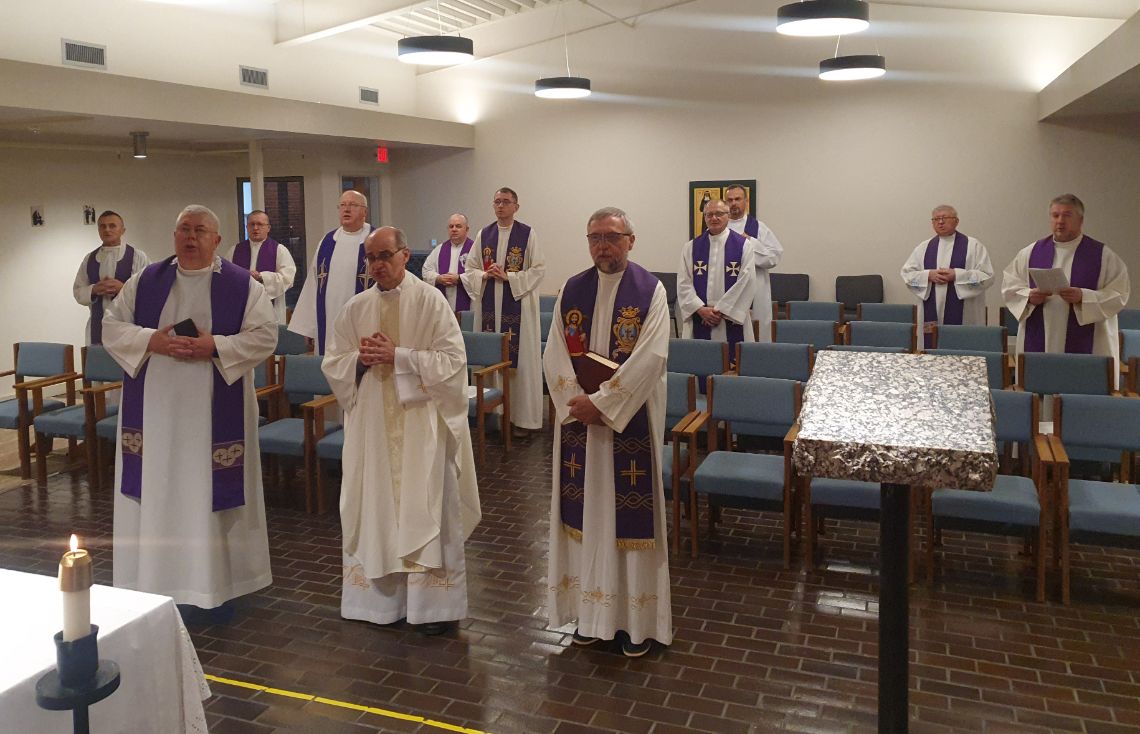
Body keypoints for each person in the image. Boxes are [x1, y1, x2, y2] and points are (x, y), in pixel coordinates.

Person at [103, 204, 277, 616]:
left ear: (217, 240)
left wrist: (213, 345)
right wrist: (153, 340)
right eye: (184, 229)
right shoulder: (145, 280)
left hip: (213, 416)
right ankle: (154, 580)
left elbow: (266, 335)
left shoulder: (241, 284)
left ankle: (212, 587)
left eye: (200, 230)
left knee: (207, 493)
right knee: (158, 488)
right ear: (174, 236)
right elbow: (111, 326)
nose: (190, 237)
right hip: (155, 414)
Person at [322, 226, 480, 635]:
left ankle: (432, 610)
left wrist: (400, 356)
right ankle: (380, 604)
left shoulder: (430, 301)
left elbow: (453, 363)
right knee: (375, 505)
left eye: (384, 256)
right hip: (373, 427)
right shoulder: (355, 308)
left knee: (424, 505)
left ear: (405, 255)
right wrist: (359, 360)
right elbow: (333, 363)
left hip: (421, 423)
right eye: (371, 258)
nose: (377, 265)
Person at [544, 206, 671, 658]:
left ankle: (635, 625)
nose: (603, 246)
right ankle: (589, 618)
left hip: (628, 422)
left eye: (612, 237)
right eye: (595, 237)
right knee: (584, 522)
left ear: (630, 240)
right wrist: (575, 401)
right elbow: (554, 352)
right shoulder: (572, 289)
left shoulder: (651, 291)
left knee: (627, 524)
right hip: (580, 425)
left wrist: (602, 404)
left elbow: (651, 358)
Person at [1002, 194, 1130, 371]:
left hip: (1088, 341)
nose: (1060, 221)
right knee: (1041, 382)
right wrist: (1029, 296)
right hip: (1039, 337)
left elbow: (1119, 295)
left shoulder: (1103, 256)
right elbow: (1010, 287)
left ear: (1080, 220)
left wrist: (1084, 297)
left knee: (1081, 383)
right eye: (1055, 215)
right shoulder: (1030, 253)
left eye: (1067, 215)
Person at [460, 187, 545, 436]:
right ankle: (494, 418)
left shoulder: (527, 234)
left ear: (516, 206)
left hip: (519, 309)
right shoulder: (484, 234)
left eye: (506, 202)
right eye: (497, 201)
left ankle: (521, 420)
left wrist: (509, 277)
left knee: (520, 364)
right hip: (489, 309)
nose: (500, 206)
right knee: (491, 361)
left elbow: (538, 270)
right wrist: (485, 275)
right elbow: (470, 269)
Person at [289, 190, 375, 354]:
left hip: (365, 318)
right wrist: (309, 326)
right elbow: (313, 284)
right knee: (330, 360)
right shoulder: (327, 242)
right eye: (342, 205)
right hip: (329, 320)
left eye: (353, 205)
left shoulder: (375, 239)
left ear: (365, 211)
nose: (346, 209)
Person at [901, 205, 994, 347]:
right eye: (936, 219)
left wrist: (957, 275)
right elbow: (907, 275)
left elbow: (987, 276)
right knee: (931, 347)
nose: (940, 222)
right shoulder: (923, 248)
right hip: (931, 311)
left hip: (965, 312)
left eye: (945, 218)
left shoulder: (973, 246)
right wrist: (928, 275)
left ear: (956, 221)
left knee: (964, 349)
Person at [677, 199, 756, 356]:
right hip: (700, 316)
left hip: (730, 318)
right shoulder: (691, 247)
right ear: (705, 217)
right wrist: (700, 309)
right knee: (699, 362)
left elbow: (747, 281)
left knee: (734, 362)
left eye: (719, 213)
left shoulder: (744, 245)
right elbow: (683, 282)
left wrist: (721, 310)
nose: (714, 218)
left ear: (728, 215)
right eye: (709, 214)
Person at [72, 210, 151, 344]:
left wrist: (124, 289)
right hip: (98, 326)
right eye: (102, 226)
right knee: (97, 357)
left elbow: (150, 290)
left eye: (112, 226)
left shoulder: (137, 257)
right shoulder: (89, 259)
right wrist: (94, 289)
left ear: (122, 230)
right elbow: (78, 290)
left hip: (128, 325)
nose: (107, 230)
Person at [725, 184, 783, 342]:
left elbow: (774, 257)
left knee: (757, 336)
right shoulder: (718, 229)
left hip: (755, 291)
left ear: (746, 201)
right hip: (727, 292)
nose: (734, 203)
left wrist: (750, 242)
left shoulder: (758, 228)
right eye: (730, 200)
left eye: (738, 199)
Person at [224, 210, 297, 324]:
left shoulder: (279, 250)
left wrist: (262, 277)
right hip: (241, 309)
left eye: (260, 224)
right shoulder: (234, 251)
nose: (255, 228)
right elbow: (225, 276)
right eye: (252, 224)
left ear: (268, 228)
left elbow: (288, 278)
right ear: (247, 227)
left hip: (269, 310)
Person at [421, 213, 475, 313]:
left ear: (467, 229)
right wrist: (438, 278)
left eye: (458, 226)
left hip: (469, 306)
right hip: (443, 305)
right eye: (451, 226)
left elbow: (480, 275)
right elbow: (426, 271)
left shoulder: (475, 249)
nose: (454, 229)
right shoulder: (439, 249)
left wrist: (460, 279)